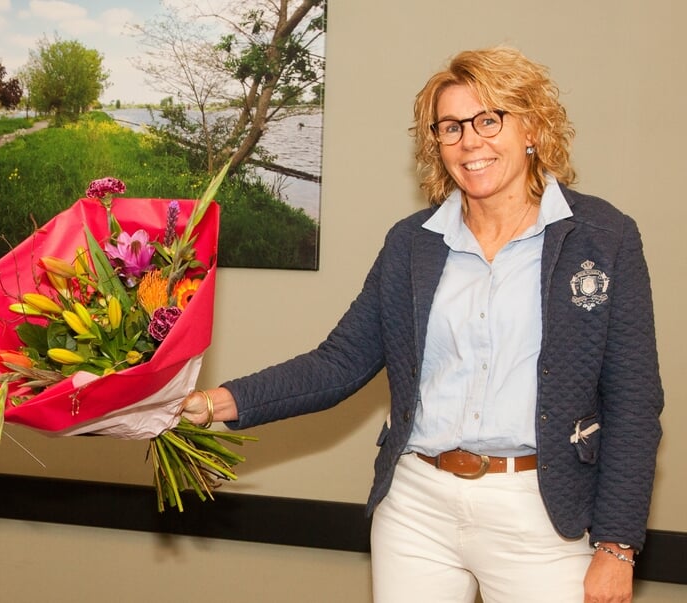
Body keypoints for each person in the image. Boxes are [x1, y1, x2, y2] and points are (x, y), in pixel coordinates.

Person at [182, 46, 663, 603]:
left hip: (543, 514)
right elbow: (339, 362)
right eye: (452, 127)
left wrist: (617, 546)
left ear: (530, 125)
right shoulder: (412, 244)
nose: (470, 142)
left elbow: (633, 401)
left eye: (489, 119)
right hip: (418, 510)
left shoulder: (603, 237)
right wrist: (213, 403)